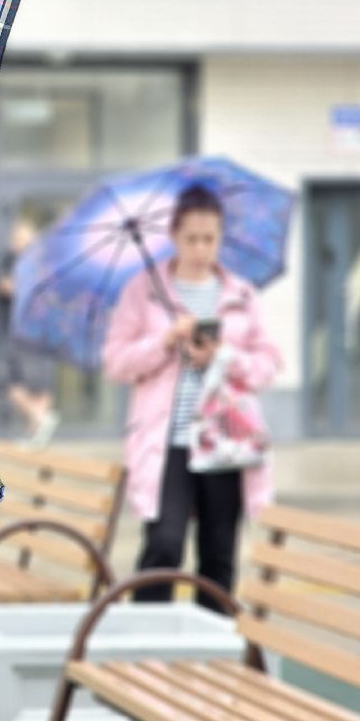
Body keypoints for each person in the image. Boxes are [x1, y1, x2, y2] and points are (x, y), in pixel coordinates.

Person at [101, 183, 281, 611]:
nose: (201, 248)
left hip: (224, 441)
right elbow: (117, 362)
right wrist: (164, 342)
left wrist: (224, 356)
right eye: (192, 238)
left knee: (219, 555)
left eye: (210, 239)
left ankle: (211, 660)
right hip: (168, 442)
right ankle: (145, 653)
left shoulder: (240, 295)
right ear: (175, 237)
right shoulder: (143, 291)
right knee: (163, 546)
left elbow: (269, 363)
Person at [0, 217, 60, 447]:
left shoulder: (41, 265)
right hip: (16, 333)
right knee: (6, 379)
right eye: (14, 238)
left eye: (20, 238)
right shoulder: (9, 262)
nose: (15, 242)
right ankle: (40, 421)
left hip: (36, 333)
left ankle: (37, 434)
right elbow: (3, 287)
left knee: (40, 383)